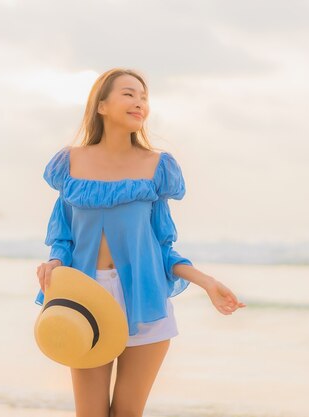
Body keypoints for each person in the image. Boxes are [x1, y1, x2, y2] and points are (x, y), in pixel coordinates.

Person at [34, 68, 246, 417]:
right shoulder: (70, 162)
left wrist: (206, 282)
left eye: (144, 97)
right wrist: (55, 262)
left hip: (145, 300)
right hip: (86, 301)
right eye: (129, 94)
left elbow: (163, 247)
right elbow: (63, 236)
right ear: (101, 105)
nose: (140, 103)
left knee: (128, 413)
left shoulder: (156, 165)